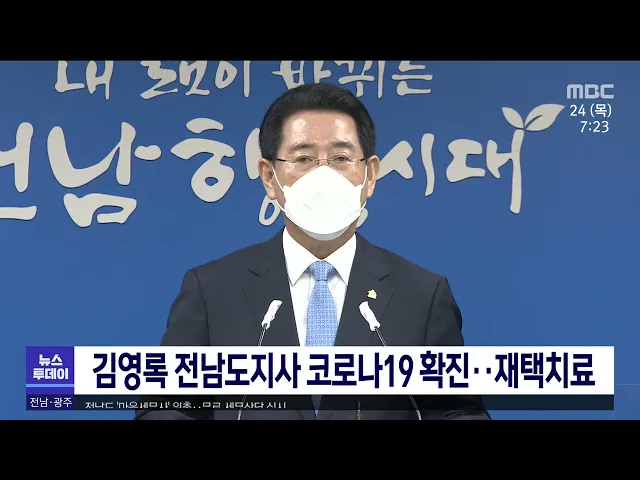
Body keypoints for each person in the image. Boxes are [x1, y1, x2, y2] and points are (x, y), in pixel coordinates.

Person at [136, 83, 489, 420]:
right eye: (303, 158)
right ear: (269, 177)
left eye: (340, 157)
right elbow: (164, 407)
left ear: (369, 176)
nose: (323, 176)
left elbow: (457, 410)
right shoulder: (212, 291)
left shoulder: (422, 295)